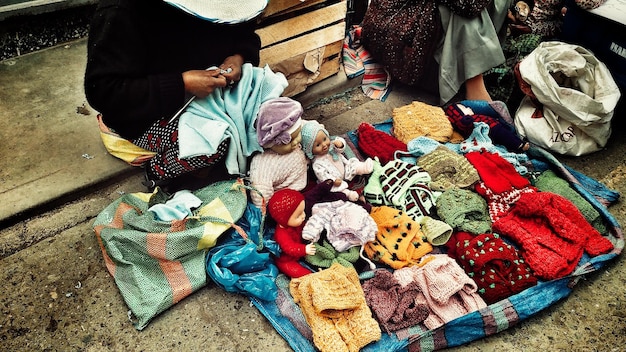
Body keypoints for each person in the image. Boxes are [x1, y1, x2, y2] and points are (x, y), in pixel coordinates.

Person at [84, 0, 267, 190]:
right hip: (144, 115)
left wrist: (239, 57)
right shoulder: (121, 12)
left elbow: (244, 34)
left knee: (266, 118)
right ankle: (158, 172)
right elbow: (104, 91)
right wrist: (182, 84)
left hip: (209, 97)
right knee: (212, 143)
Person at [360, 0, 513, 104]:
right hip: (397, 31)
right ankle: (474, 87)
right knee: (463, 17)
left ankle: (477, 68)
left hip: (427, 21)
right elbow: (467, 5)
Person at [248, 97, 309, 207]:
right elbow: (260, 191)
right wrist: (266, 208)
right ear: (271, 144)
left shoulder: (294, 129)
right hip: (286, 198)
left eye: (297, 136)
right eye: (288, 142)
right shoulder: (263, 165)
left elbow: (311, 130)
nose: (295, 143)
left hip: (304, 175)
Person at [300, 120, 374, 202]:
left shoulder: (331, 146)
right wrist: (333, 181)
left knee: (352, 164)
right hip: (335, 180)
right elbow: (323, 176)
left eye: (325, 139)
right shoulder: (317, 163)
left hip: (345, 169)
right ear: (310, 150)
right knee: (335, 190)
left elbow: (340, 149)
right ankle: (349, 194)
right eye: (318, 145)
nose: (324, 145)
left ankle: (363, 168)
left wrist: (340, 144)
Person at [267, 188, 316, 278]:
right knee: (302, 274)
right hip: (286, 260)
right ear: (284, 219)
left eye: (303, 212)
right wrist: (304, 249)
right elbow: (290, 248)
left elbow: (304, 228)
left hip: (300, 250)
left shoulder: (295, 224)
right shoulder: (281, 234)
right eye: (298, 215)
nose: (303, 216)